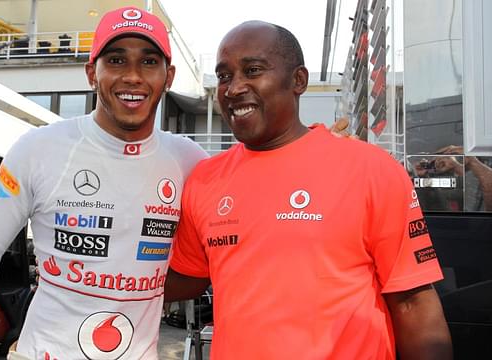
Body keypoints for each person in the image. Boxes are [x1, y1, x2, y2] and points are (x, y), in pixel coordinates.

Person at [0, 7, 209, 360]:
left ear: (169, 76)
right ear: (91, 72)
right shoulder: (38, 148)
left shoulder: (191, 161)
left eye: (149, 62)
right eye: (116, 60)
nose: (133, 76)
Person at [165, 21, 453, 359]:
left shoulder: (371, 169)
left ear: (298, 80)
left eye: (253, 70)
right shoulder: (204, 179)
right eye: (225, 76)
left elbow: (414, 303)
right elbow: (186, 278)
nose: (234, 88)